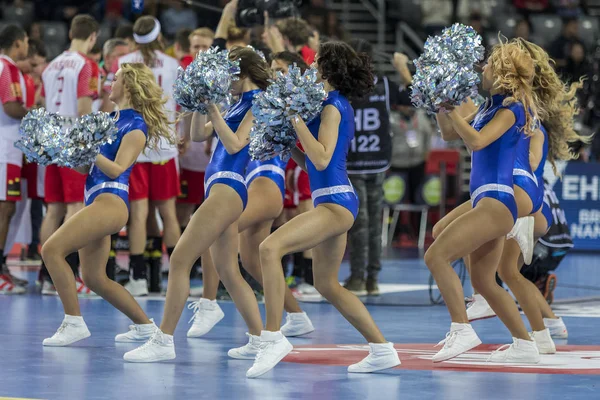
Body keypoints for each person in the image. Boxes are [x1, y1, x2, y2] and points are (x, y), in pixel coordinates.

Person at [247, 41, 401, 378]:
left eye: (315, 62)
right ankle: (382, 349)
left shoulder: (333, 105)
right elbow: (312, 163)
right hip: (333, 200)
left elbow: (321, 157)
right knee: (327, 284)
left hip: (335, 202)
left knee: (269, 248)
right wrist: (289, 145)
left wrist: (295, 118)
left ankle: (272, 337)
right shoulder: (331, 104)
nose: (310, 66)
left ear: (327, 69)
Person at [123, 47, 276, 362]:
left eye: (228, 75)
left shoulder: (258, 102)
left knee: (180, 259)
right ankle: (260, 340)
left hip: (229, 187)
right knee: (228, 271)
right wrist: (195, 99)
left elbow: (235, 144)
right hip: (219, 188)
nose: (224, 81)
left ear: (241, 74)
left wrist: (213, 107)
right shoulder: (234, 103)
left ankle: (163, 340)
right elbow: (195, 135)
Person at [41, 63, 175, 346]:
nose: (108, 83)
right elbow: (84, 169)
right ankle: (144, 326)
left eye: (114, 79)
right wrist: (60, 151)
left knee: (52, 250)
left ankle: (73, 322)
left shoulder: (136, 125)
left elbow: (117, 169)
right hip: (96, 200)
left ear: (128, 85)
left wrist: (91, 150)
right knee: (93, 277)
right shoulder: (107, 119)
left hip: (111, 203)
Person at [186, 50, 315, 341]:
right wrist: (201, 101)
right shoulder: (253, 103)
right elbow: (200, 134)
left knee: (212, 230)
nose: (274, 74)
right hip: (253, 184)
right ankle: (297, 316)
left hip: (265, 183)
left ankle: (209, 302)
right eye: (272, 68)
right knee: (250, 260)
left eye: (281, 70)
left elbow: (236, 144)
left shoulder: (274, 104)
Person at [426, 40, 541, 363]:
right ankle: (525, 344)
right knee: (482, 281)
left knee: (436, 256)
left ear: (503, 73)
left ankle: (462, 329)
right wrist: (440, 104)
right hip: (486, 201)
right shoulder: (489, 106)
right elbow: (452, 134)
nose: (483, 68)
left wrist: (453, 110)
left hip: (497, 202)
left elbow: (476, 142)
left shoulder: (512, 109)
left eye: (489, 64)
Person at [463, 40, 583, 345]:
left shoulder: (524, 118)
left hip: (524, 203)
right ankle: (548, 328)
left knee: (500, 267)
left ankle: (488, 301)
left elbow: (528, 163)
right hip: (528, 203)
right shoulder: (520, 114)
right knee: (510, 272)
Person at [105, 16, 181, 296]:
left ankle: (137, 277)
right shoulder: (173, 64)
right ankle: (177, 274)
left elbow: (110, 101)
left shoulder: (125, 63)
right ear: (160, 36)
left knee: (138, 214)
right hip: (163, 145)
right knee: (168, 213)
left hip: (134, 145)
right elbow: (182, 103)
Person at [344, 40, 416, 296]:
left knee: (360, 224)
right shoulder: (384, 84)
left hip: (355, 163)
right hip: (377, 162)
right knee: (374, 223)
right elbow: (413, 96)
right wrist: (403, 69)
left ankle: (357, 278)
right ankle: (372, 279)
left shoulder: (344, 86)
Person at [39, 14, 100, 297]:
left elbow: (41, 102)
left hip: (50, 141)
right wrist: (90, 144)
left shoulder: (50, 65)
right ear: (93, 37)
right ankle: (70, 272)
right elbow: (85, 108)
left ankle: (46, 275)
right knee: (76, 207)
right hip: (73, 142)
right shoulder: (86, 65)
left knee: (53, 209)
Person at [0, 24, 29, 295]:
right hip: (4, 148)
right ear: (18, 43)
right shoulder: (6, 68)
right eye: (26, 42)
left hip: (7, 147)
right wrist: (34, 112)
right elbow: (10, 106)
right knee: (4, 208)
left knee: (6, 208)